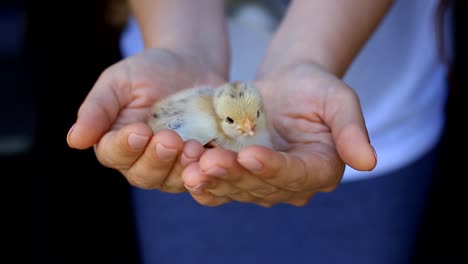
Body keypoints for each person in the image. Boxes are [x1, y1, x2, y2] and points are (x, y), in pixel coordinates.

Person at [66, 0, 453, 263]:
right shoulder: (198, 130)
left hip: (381, 111)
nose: (248, 128)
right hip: (180, 158)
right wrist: (180, 42)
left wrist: (310, 55)